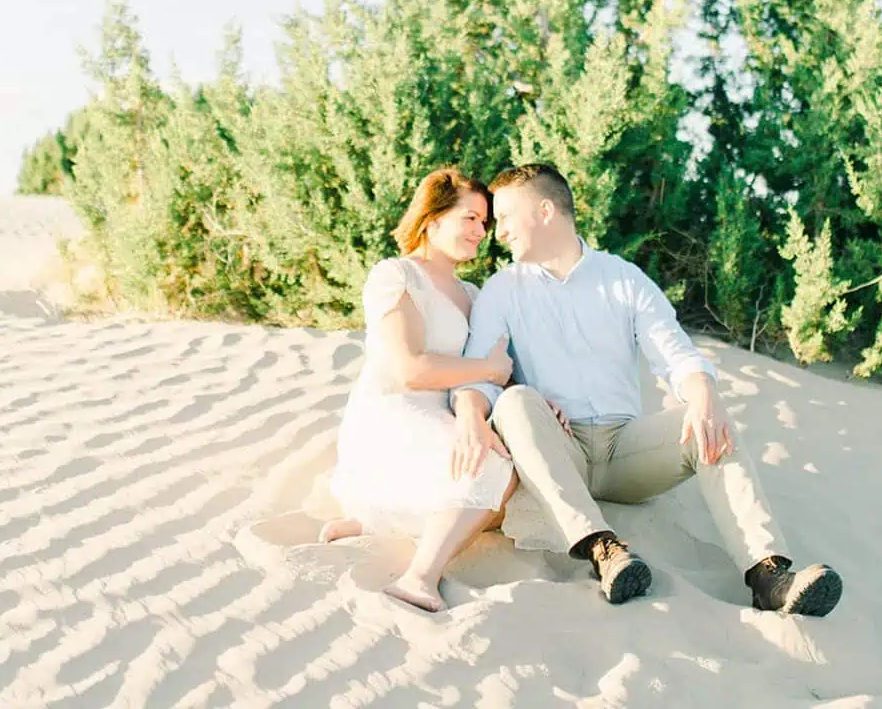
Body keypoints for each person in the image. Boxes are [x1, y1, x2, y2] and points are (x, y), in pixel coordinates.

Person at [450, 163, 843, 617]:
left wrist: (703, 394)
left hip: (626, 451)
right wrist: (469, 418)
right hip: (560, 449)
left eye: (505, 218)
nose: (498, 233)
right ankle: (603, 549)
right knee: (517, 401)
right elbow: (477, 375)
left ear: (543, 211)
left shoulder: (623, 279)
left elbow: (676, 354)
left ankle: (769, 575)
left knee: (709, 414)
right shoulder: (503, 290)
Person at [323, 167, 519, 613]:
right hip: (394, 414)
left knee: (512, 476)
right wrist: (488, 369)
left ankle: (385, 518)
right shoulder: (396, 275)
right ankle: (419, 577)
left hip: (447, 415)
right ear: (432, 218)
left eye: (485, 223)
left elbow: (505, 366)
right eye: (470, 218)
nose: (480, 231)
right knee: (487, 468)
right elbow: (409, 368)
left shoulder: (473, 292)